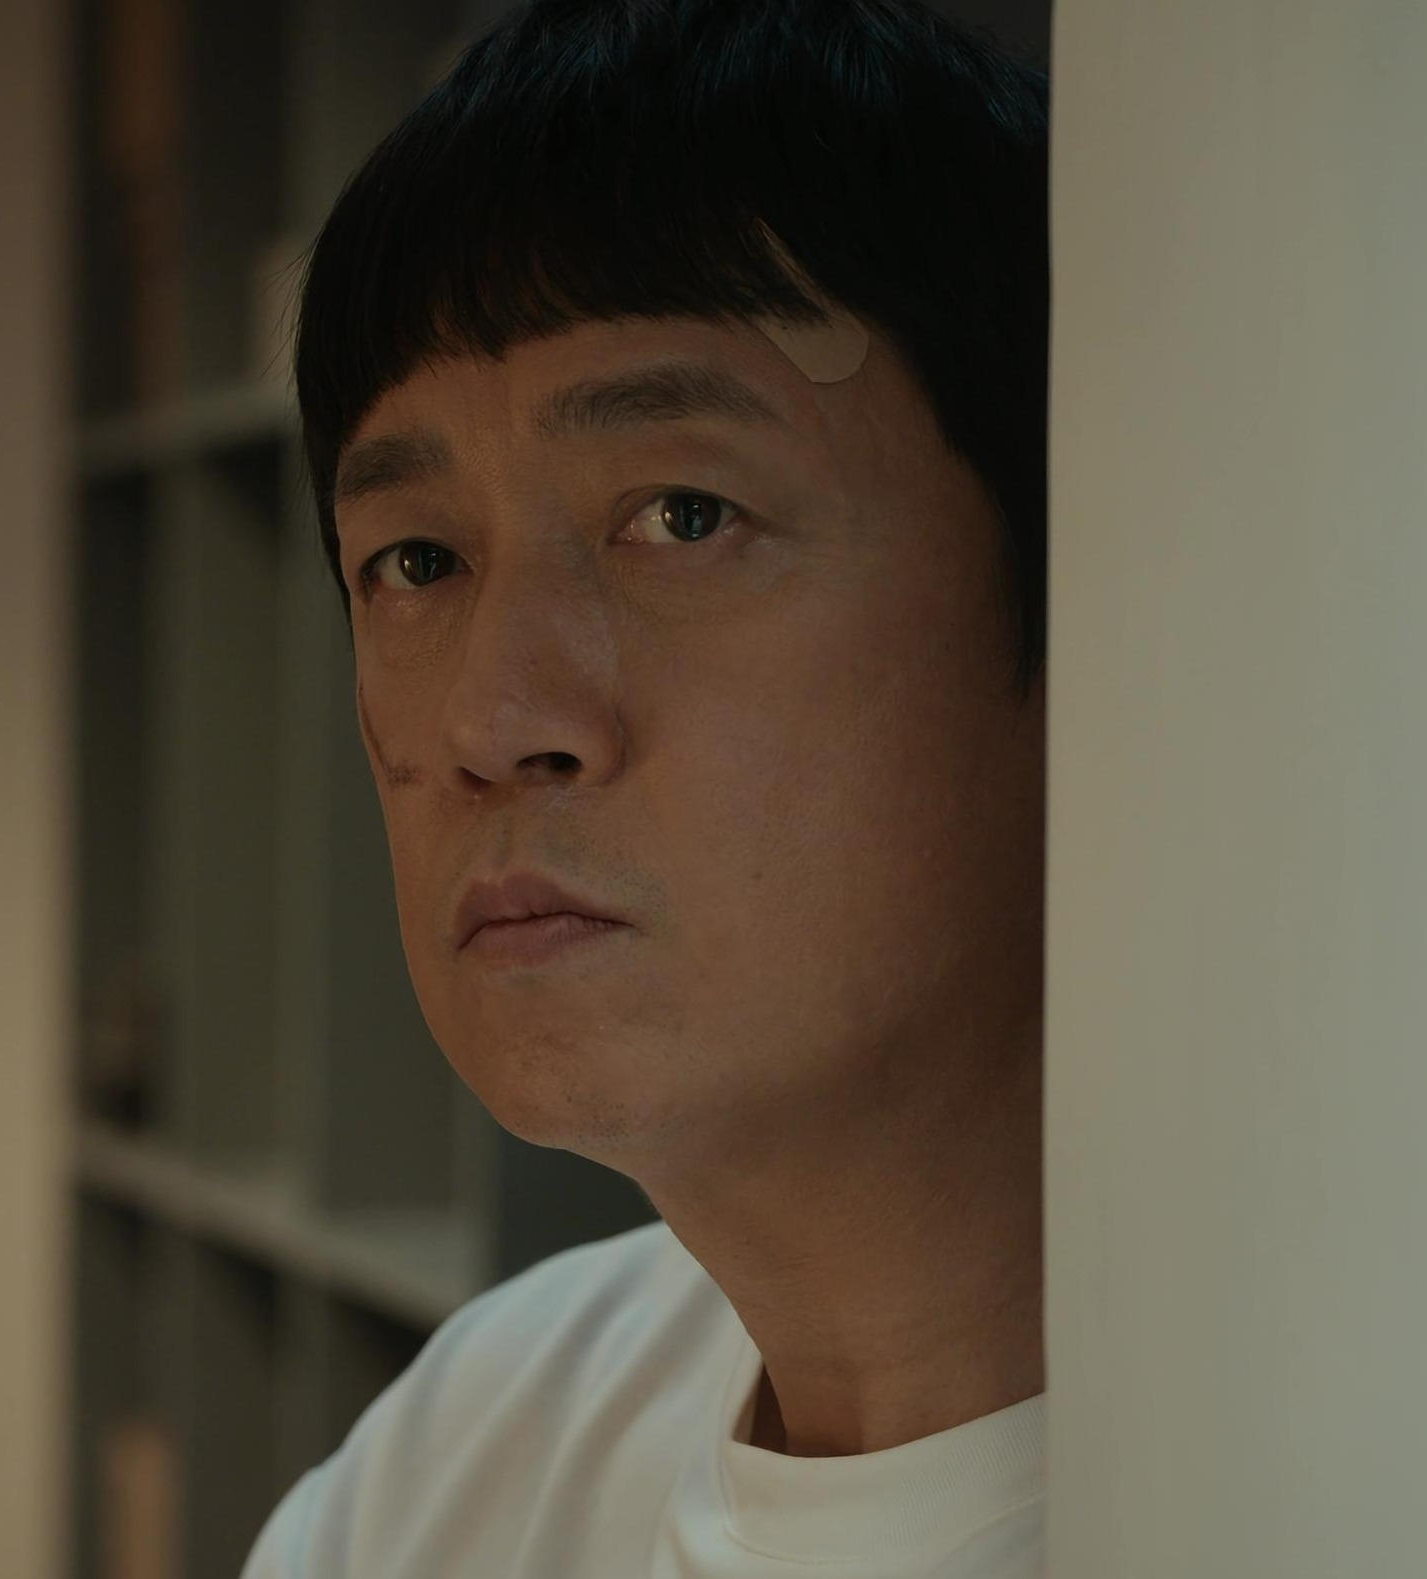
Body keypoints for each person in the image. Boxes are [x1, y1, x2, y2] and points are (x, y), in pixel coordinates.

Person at [244, 0, 1049, 1572]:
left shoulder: (1412, 1493)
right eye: (417, 561)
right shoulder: (472, 1442)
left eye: (682, 514)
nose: (493, 720)